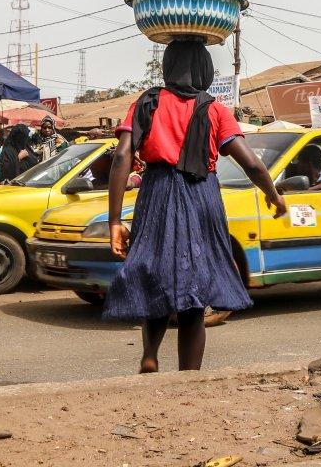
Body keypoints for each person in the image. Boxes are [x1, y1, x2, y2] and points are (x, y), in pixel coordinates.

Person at [103, 39, 286, 372]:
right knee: (194, 286)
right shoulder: (215, 110)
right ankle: (189, 376)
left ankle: (149, 355)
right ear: (205, 70)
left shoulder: (147, 103)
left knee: (156, 274)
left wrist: (115, 220)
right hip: (201, 196)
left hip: (156, 195)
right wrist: (273, 195)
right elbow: (252, 163)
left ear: (167, 67)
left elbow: (122, 157)